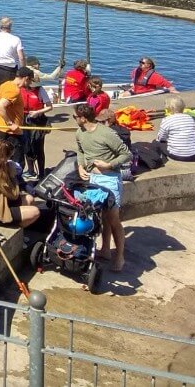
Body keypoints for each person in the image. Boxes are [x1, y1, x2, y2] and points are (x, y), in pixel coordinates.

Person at [73, 103, 129, 272]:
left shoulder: (106, 134)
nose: (74, 119)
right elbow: (80, 150)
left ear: (83, 118)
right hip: (92, 179)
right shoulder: (79, 133)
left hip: (109, 179)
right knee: (98, 217)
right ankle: (105, 250)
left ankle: (119, 256)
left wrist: (109, 164)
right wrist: (81, 166)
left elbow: (126, 153)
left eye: (75, 117)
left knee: (113, 219)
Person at [0, 66, 33, 168]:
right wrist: (10, 123)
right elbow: (0, 106)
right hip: (11, 132)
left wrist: (9, 109)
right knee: (17, 162)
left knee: (1, 159)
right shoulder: (14, 90)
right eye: (30, 81)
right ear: (26, 78)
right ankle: (16, 182)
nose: (30, 84)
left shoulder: (5, 84)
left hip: (0, 128)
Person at [20, 69, 52, 179]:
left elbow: (49, 106)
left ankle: (41, 172)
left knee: (38, 147)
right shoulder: (21, 89)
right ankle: (30, 170)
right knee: (27, 146)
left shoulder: (40, 90)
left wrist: (38, 112)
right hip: (24, 120)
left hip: (38, 121)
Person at [155, 96, 195, 161]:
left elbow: (161, 137)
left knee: (157, 143)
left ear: (168, 109)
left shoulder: (167, 120)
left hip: (178, 155)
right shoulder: (190, 118)